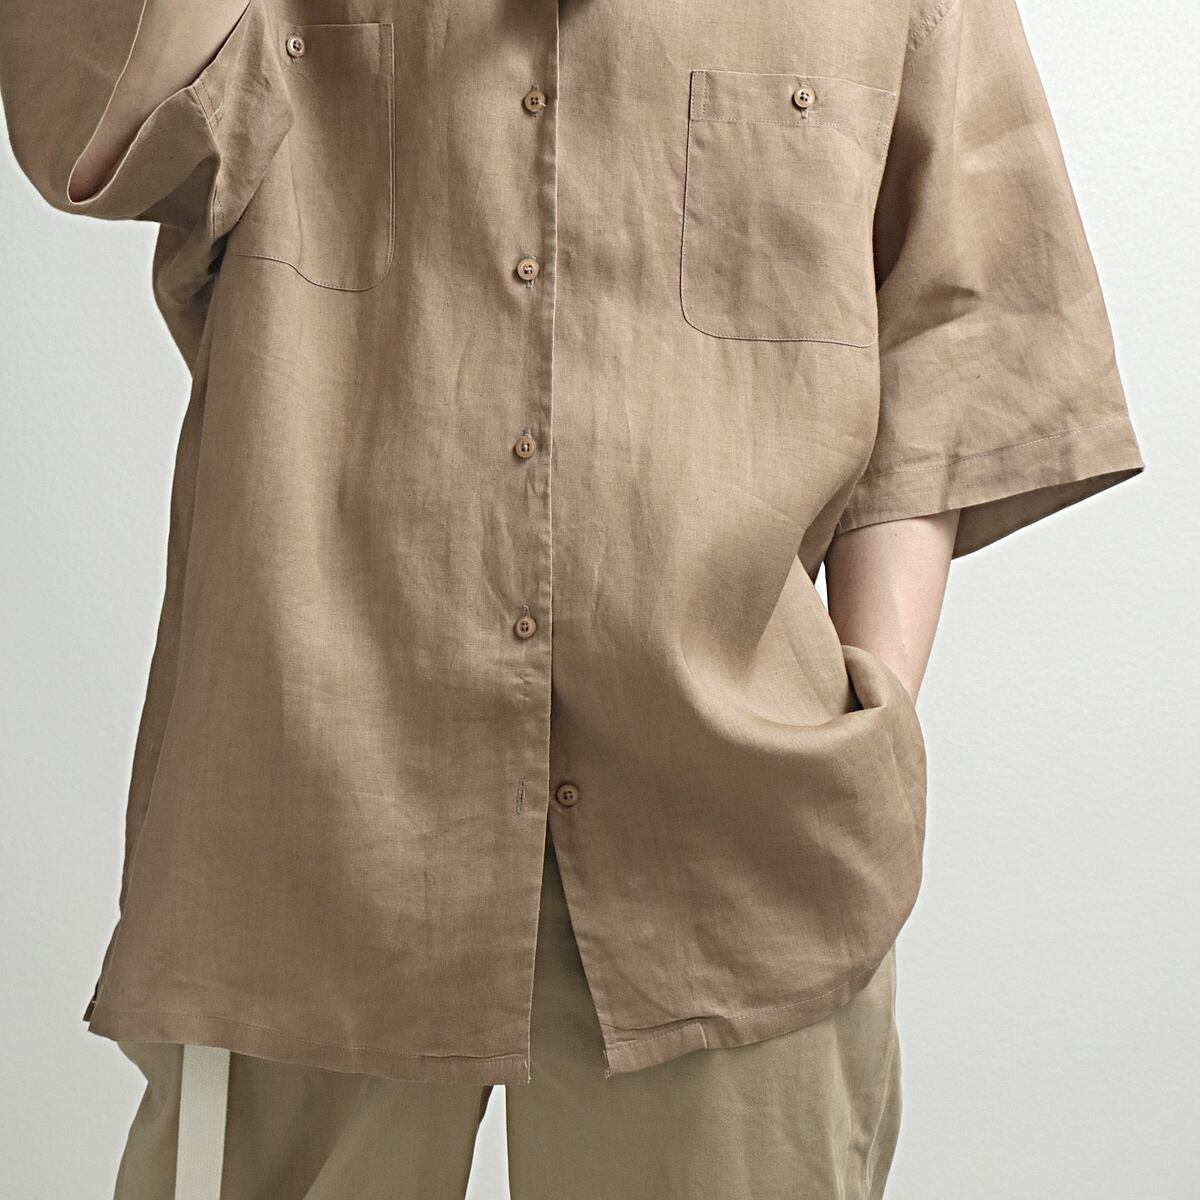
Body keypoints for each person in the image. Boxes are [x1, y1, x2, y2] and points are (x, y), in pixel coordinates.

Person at [0, 0, 1144, 1196]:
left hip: (737, 845)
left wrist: (874, 701)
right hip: (315, 824)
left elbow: (956, 333)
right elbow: (92, 133)